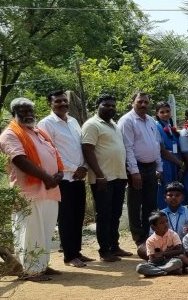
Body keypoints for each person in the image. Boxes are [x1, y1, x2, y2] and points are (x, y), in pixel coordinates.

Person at [0, 98, 63, 281]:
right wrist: (47, 177)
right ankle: (30, 270)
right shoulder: (10, 134)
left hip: (49, 189)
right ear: (13, 114)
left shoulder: (37, 132)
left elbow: (54, 154)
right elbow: (20, 160)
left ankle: (41, 265)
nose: (27, 114)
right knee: (30, 231)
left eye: (29, 110)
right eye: (22, 111)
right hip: (28, 192)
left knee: (46, 230)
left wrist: (59, 173)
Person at [37, 91, 92, 268]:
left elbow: (80, 147)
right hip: (63, 178)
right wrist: (75, 168)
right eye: (58, 101)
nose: (62, 104)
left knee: (78, 216)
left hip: (78, 177)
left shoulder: (73, 121)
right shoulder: (46, 123)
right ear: (50, 104)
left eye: (64, 101)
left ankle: (76, 252)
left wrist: (83, 167)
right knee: (66, 218)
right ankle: (69, 256)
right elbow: (52, 152)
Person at [81, 94, 132, 262]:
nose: (111, 108)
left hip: (118, 177)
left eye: (113, 105)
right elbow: (88, 150)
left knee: (115, 214)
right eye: (106, 105)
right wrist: (99, 175)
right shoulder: (92, 125)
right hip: (103, 179)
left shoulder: (114, 125)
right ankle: (104, 251)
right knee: (103, 215)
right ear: (98, 106)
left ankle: (114, 246)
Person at [118, 91, 163, 247]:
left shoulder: (150, 120)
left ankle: (148, 234)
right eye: (140, 102)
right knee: (135, 204)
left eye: (146, 102)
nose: (143, 104)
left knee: (150, 203)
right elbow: (127, 148)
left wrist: (159, 166)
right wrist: (134, 172)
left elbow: (156, 145)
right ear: (133, 102)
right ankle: (139, 238)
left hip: (151, 167)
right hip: (135, 167)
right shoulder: (127, 121)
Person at [154, 102, 184, 209]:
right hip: (166, 162)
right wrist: (179, 163)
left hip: (175, 162)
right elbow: (161, 150)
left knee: (175, 188)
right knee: (166, 189)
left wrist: (180, 166)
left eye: (167, 111)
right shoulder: (156, 126)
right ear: (157, 114)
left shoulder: (170, 126)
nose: (165, 114)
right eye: (162, 112)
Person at [135, 212, 183, 277]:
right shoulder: (150, 240)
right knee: (140, 267)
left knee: (177, 262)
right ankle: (170, 271)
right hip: (156, 264)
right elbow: (152, 259)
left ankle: (156, 272)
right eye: (162, 223)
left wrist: (163, 254)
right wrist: (170, 252)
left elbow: (180, 251)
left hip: (169, 261)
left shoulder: (173, 234)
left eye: (166, 221)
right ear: (154, 227)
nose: (166, 224)